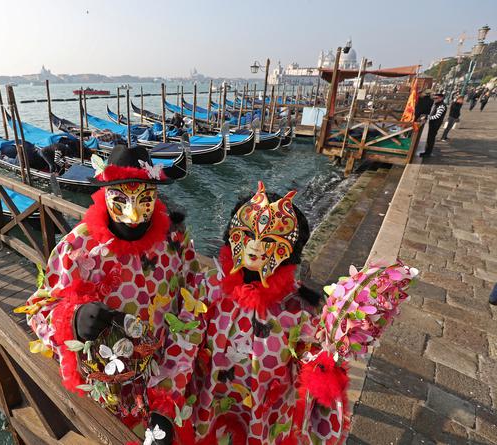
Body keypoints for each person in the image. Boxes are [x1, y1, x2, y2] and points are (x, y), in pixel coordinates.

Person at [190, 182, 417, 444]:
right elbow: (187, 338)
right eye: (248, 234)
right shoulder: (209, 289)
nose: (255, 247)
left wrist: (329, 359)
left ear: (287, 251)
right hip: (212, 403)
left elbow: (311, 358)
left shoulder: (299, 310)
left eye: (269, 240)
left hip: (266, 416)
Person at [20, 145, 204, 444]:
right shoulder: (78, 247)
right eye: (121, 200)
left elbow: (192, 313)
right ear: (105, 196)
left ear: (155, 195)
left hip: (167, 385)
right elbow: (39, 307)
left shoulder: (176, 243)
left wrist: (166, 399)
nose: (132, 213)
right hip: (103, 400)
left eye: (143, 199)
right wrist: (72, 319)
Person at [419, 93, 447, 157]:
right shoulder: (437, 104)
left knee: (431, 138)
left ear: (441, 98)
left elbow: (437, 116)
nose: (435, 99)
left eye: (436, 98)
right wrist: (427, 116)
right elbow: (432, 113)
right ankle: (427, 151)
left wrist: (427, 117)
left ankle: (428, 153)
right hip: (433, 123)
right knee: (430, 137)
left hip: (435, 124)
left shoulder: (441, 106)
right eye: (434, 98)